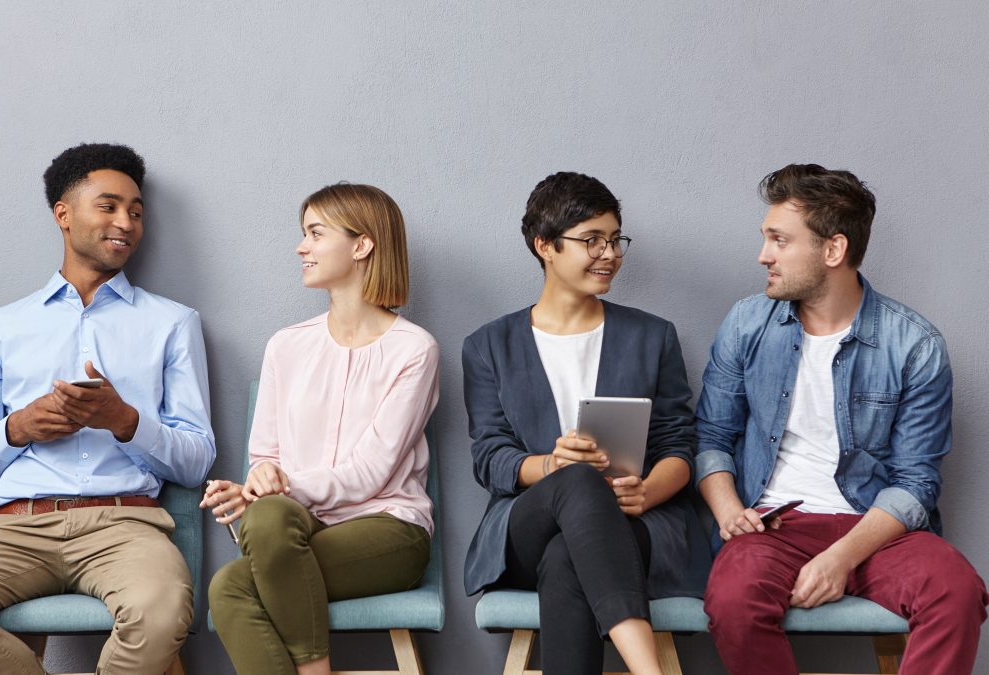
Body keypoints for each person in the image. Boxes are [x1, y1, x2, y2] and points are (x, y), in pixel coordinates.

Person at [0, 143, 216, 674]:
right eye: (110, 206)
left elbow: (196, 461)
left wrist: (125, 421)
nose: (127, 222)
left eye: (136, 212)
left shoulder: (173, 323)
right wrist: (17, 428)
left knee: (161, 613)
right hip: (15, 526)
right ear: (64, 214)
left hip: (124, 524)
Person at [695, 163, 988, 675]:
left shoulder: (915, 345)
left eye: (779, 241)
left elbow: (916, 481)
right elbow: (713, 437)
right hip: (774, 525)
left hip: (876, 528)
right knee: (733, 600)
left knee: (957, 591)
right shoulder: (746, 323)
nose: (764, 255)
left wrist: (841, 558)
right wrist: (727, 513)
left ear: (833, 250)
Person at [462, 172, 709, 675]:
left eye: (616, 240)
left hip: (634, 522)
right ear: (545, 246)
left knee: (566, 559)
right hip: (525, 525)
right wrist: (551, 465)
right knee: (574, 480)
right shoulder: (489, 345)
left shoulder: (652, 336)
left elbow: (679, 445)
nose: (610, 253)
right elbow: (490, 457)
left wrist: (649, 491)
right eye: (591, 240)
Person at [202, 183, 438, 675]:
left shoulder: (414, 350)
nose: (300, 247)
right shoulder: (286, 346)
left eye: (314, 233)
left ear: (362, 244)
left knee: (235, 580)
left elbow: (371, 472)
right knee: (257, 534)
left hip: (388, 528)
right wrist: (259, 482)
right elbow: (265, 453)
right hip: (293, 529)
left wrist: (281, 486)